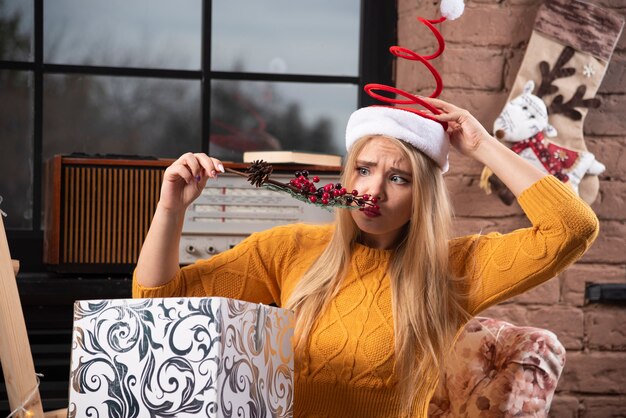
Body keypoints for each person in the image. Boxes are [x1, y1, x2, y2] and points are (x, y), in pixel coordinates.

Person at [133, 97, 599, 417]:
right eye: (364, 170)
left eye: (399, 178)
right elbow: (157, 305)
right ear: (346, 178)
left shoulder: (455, 269)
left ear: (424, 196)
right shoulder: (290, 249)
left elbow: (572, 228)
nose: (373, 190)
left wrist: (480, 145)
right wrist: (171, 207)